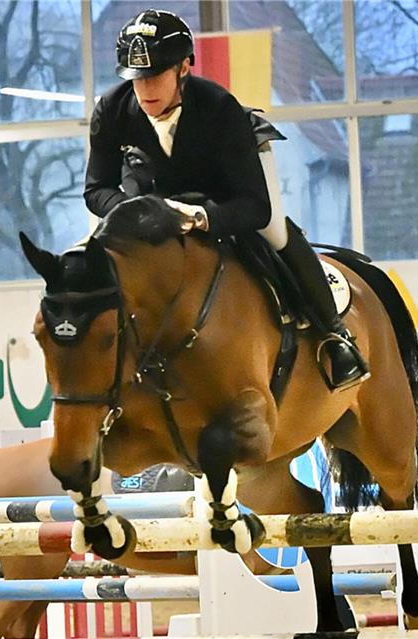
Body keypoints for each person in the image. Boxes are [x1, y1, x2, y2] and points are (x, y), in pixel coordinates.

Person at [84, 8, 368, 390]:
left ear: (184, 67)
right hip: (149, 203)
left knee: (277, 234)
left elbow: (254, 206)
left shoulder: (220, 109)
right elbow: (96, 188)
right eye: (137, 79)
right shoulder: (111, 110)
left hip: (225, 194)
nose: (145, 89)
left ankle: (336, 338)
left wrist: (202, 217)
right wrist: (136, 214)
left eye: (155, 76)